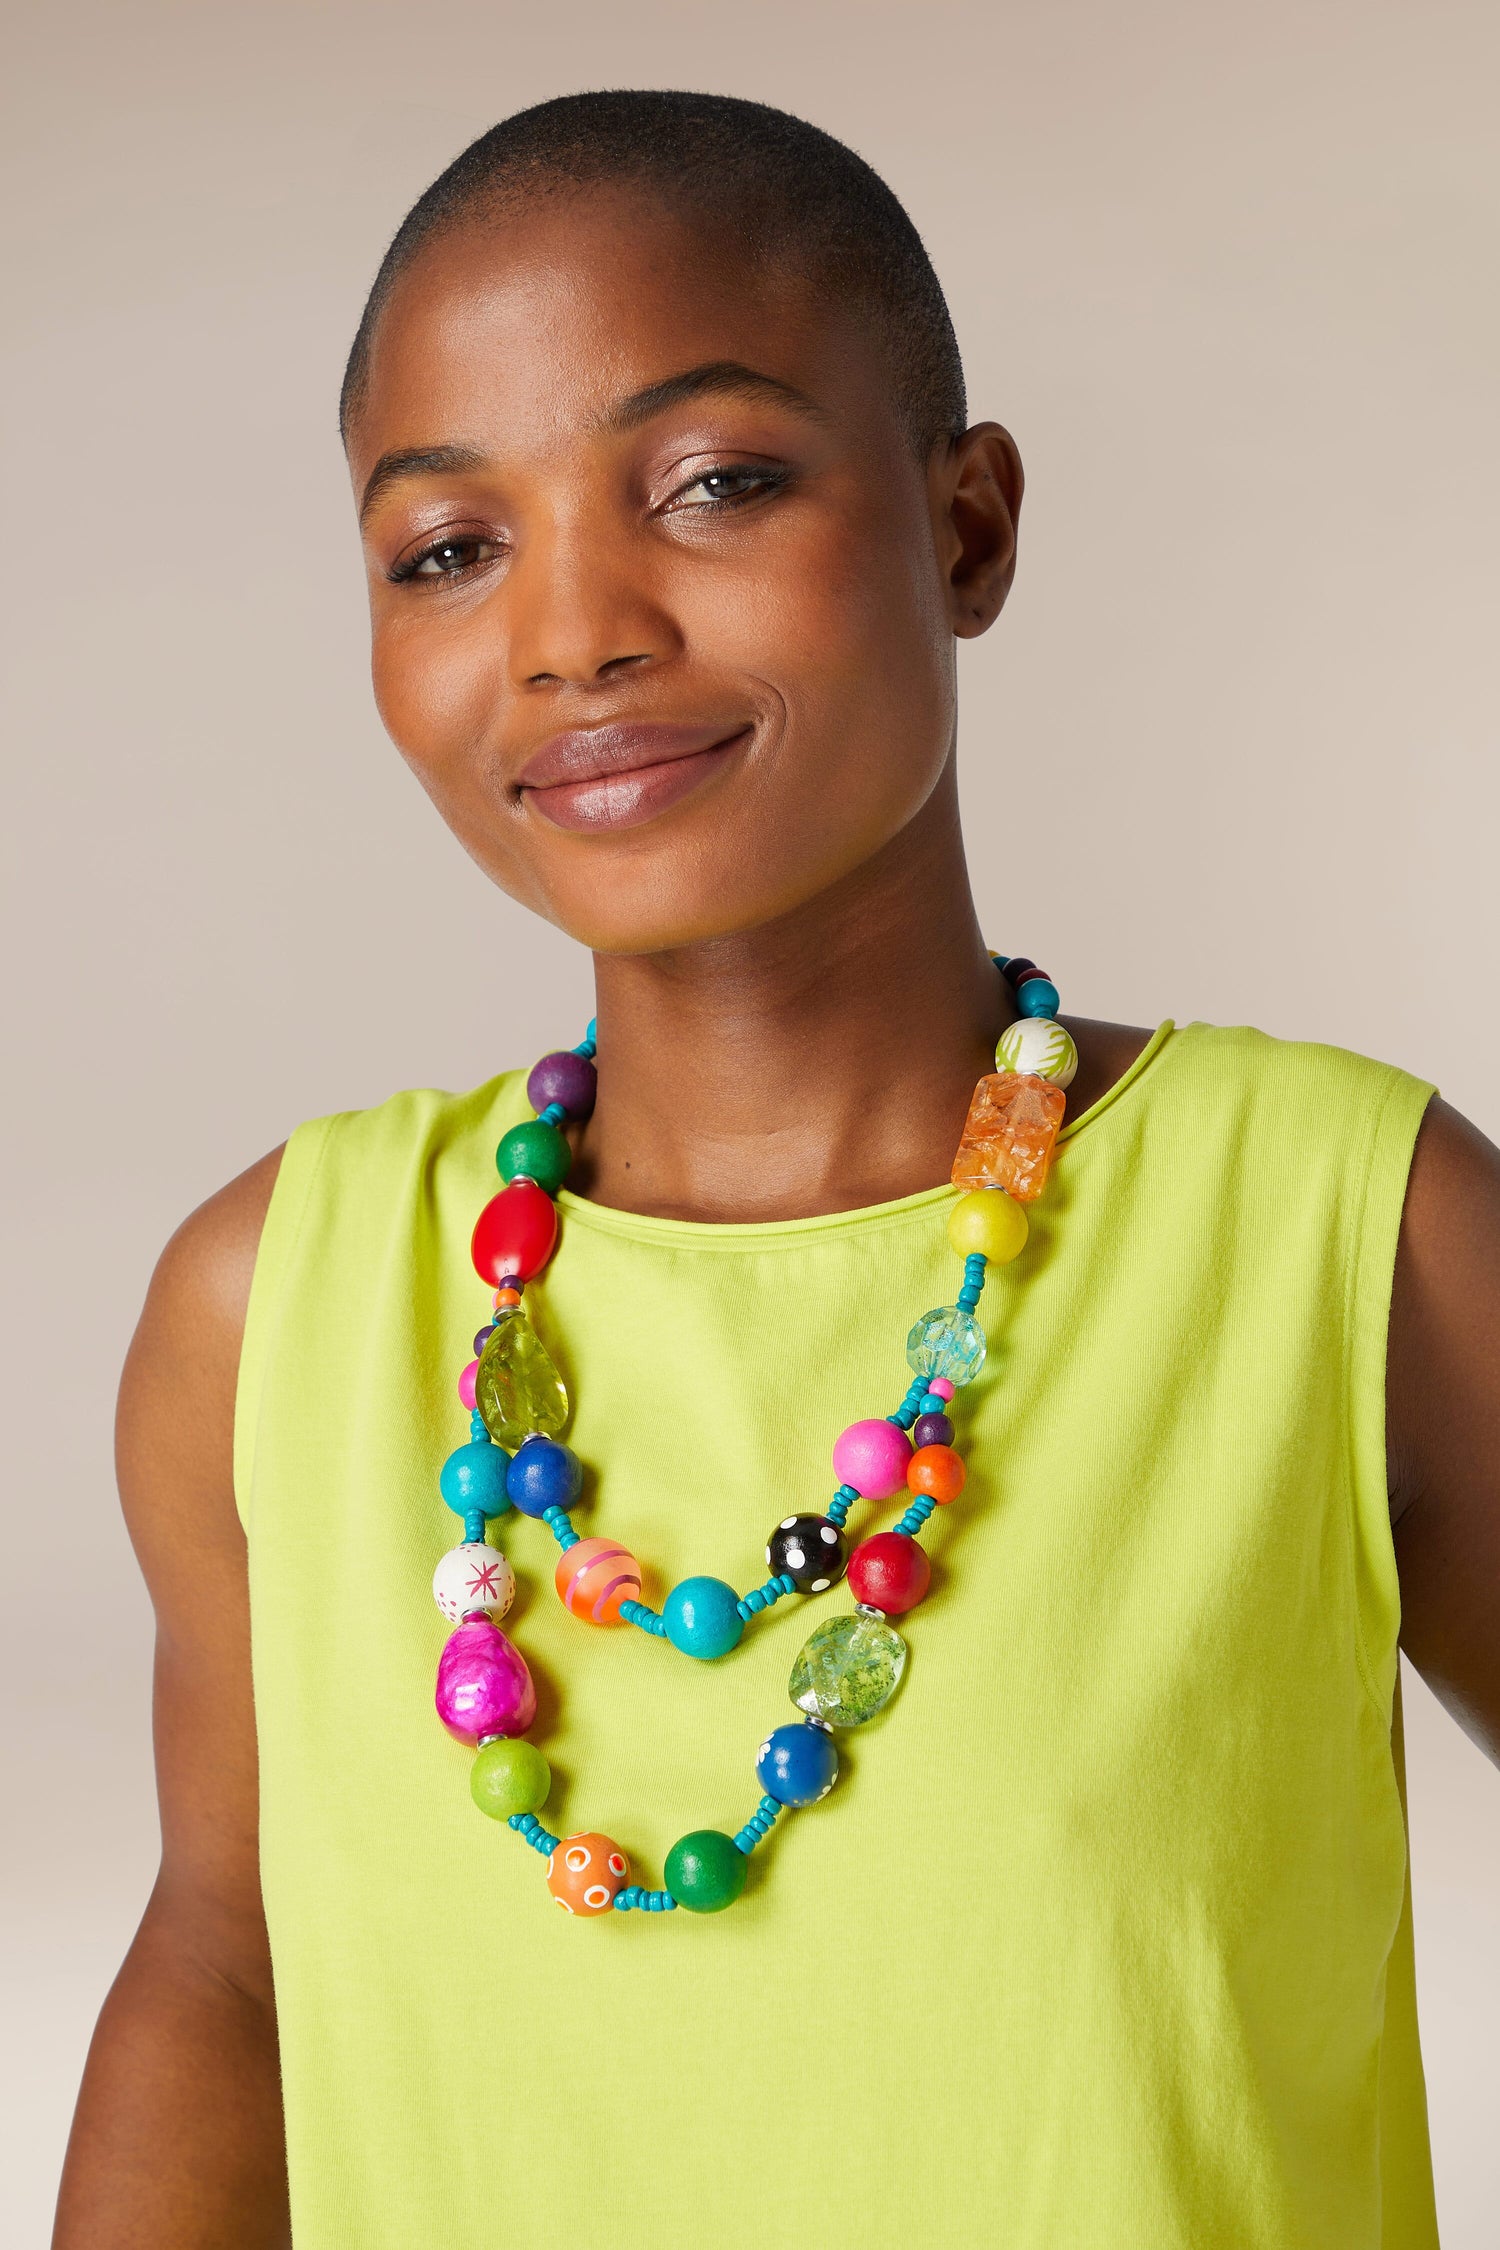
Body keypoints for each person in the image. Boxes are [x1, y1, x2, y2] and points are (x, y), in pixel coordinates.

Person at [54, 90, 1499, 2250]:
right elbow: (228, 1978)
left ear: (969, 526)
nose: (574, 631)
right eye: (450, 547)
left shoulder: (1340, 1232)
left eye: (713, 484)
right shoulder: (273, 1305)